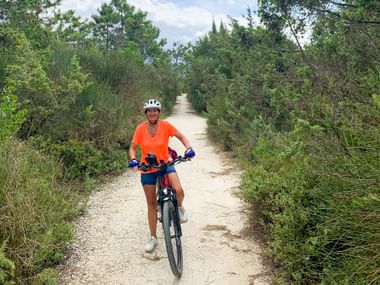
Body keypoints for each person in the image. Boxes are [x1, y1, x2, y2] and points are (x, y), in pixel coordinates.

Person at [129, 99, 195, 253]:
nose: (152, 113)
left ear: (159, 112)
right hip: (147, 169)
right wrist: (133, 159)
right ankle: (153, 237)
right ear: (146, 113)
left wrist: (189, 148)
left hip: (165, 165)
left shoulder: (165, 126)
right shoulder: (140, 129)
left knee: (178, 190)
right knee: (151, 204)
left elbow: (182, 137)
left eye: (155, 110)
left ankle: (179, 207)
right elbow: (133, 147)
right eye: (149, 111)